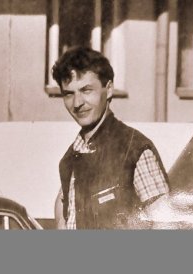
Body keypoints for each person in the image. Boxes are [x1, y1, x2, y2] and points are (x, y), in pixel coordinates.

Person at [52, 47, 169, 229]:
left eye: (86, 90)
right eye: (69, 94)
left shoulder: (134, 149)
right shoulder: (69, 160)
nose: (77, 103)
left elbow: (165, 224)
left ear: (108, 89)